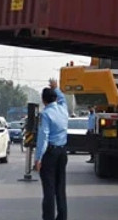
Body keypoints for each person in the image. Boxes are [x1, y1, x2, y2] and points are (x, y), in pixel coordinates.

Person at [34, 81, 69, 220]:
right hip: (62, 152)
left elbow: (43, 137)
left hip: (50, 153)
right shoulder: (63, 109)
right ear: (55, 98)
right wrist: (56, 87)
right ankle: (62, 217)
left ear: (43, 100)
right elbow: (63, 99)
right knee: (60, 189)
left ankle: (48, 217)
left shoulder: (46, 114)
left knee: (49, 189)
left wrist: (38, 158)